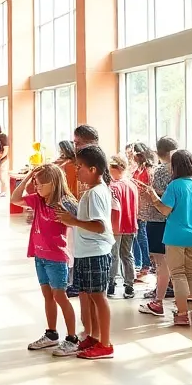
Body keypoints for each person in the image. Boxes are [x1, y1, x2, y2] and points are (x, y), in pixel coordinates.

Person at [12, 164, 80, 356]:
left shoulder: (66, 202)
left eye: (41, 183)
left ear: (54, 182)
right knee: (47, 295)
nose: (38, 186)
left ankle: (72, 338)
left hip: (57, 258)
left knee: (60, 296)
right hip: (40, 256)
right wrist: (27, 178)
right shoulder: (37, 200)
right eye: (36, 182)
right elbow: (15, 199)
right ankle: (51, 334)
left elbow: (81, 222)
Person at [56, 146, 116, 359]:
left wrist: (73, 221)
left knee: (98, 297)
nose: (77, 171)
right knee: (89, 296)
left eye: (80, 167)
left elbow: (100, 226)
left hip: (95, 252)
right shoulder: (90, 192)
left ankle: (105, 343)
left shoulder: (96, 193)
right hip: (85, 252)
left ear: (93, 169)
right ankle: (94, 335)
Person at [142, 150, 192, 327]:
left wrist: (153, 197)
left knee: (178, 275)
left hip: (175, 236)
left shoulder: (175, 186)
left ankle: (181, 314)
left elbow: (165, 210)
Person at [138, 137, 179, 317]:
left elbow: (159, 196)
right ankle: (181, 306)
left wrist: (150, 194)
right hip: (177, 220)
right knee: (178, 266)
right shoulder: (185, 171)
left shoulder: (161, 170)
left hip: (158, 220)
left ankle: (158, 301)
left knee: (161, 263)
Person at [107, 154, 138, 299]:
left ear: (115, 168)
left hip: (116, 226)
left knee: (114, 255)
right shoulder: (132, 185)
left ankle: (111, 284)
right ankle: (129, 285)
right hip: (130, 224)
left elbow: (113, 208)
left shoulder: (112, 187)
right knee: (127, 255)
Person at [129, 143, 155, 279]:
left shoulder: (148, 170)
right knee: (136, 235)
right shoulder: (137, 169)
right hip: (136, 206)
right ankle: (139, 263)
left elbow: (149, 188)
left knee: (141, 236)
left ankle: (146, 264)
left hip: (144, 207)